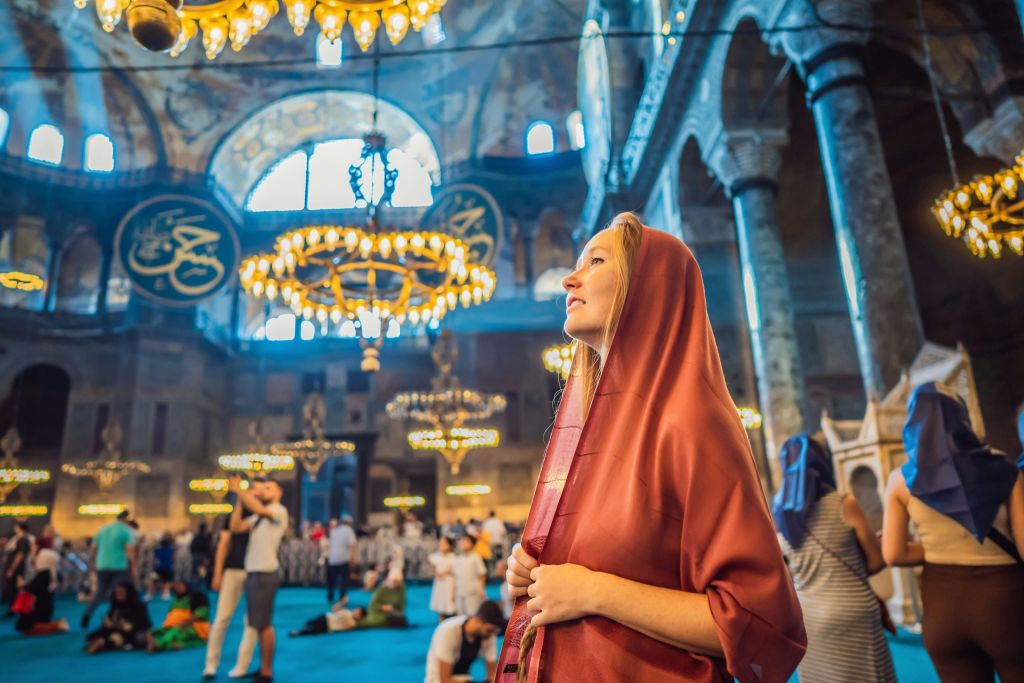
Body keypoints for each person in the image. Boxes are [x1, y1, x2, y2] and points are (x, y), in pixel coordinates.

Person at [500, 214, 806, 682]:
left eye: (595, 262)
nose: (569, 279)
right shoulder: (599, 431)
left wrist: (595, 592)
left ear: (649, 287)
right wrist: (533, 576)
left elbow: (759, 621)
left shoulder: (691, 422)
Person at [883, 382, 1024, 682]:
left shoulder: (900, 480)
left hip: (943, 607)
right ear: (963, 417)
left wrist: (934, 546)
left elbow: (893, 554)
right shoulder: (1003, 466)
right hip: (1005, 602)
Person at [772, 435, 896, 682]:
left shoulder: (779, 513)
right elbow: (876, 561)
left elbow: (791, 570)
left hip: (808, 617)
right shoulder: (843, 504)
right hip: (852, 612)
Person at [228, 474, 288, 683]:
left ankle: (267, 671)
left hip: (265, 572)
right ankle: (263, 668)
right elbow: (236, 527)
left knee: (264, 624)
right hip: (254, 572)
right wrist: (239, 500)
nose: (263, 491)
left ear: (279, 492)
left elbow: (259, 509)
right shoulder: (258, 517)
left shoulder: (278, 511)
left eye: (269, 488)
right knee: (258, 623)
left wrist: (241, 491)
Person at [204, 509, 257, 680]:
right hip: (233, 569)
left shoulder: (262, 512)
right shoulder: (234, 515)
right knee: (222, 618)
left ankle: (242, 665)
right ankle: (210, 664)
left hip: (255, 571)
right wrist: (218, 573)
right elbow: (224, 543)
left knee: (252, 621)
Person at [81, 509, 137, 629]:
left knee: (99, 593)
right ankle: (113, 618)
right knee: (118, 594)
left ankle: (88, 613)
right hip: (119, 566)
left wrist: (94, 564)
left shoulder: (104, 529)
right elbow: (130, 551)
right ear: (126, 519)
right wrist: (133, 567)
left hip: (102, 565)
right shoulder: (126, 531)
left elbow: (93, 548)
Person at [425, 600, 504, 683]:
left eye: (494, 631)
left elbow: (491, 675)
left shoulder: (489, 634)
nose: (492, 635)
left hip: (463, 678)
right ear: (478, 620)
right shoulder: (448, 632)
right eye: (489, 630)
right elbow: (445, 679)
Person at [14, 548, 70, 636]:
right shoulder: (52, 573)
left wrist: (22, 585)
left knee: (28, 629)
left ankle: (57, 626)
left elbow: (33, 587)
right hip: (44, 605)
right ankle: (56, 624)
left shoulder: (44, 574)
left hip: (38, 606)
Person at [85, 581, 152, 654]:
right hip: (116, 630)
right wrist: (108, 623)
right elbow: (110, 622)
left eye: (121, 592)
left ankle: (102, 643)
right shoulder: (115, 605)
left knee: (139, 637)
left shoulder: (138, 606)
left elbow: (146, 623)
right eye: (117, 592)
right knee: (94, 635)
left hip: (134, 632)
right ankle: (102, 642)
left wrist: (129, 625)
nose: (118, 594)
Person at [147, 580, 211, 652]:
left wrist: (183, 624)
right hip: (171, 627)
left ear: (186, 585)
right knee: (152, 632)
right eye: (176, 585)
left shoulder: (196, 597)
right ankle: (162, 644)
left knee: (173, 634)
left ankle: (159, 644)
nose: (177, 587)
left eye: (180, 585)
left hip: (194, 628)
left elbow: (200, 613)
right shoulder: (174, 600)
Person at [289, 597, 367, 636]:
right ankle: (302, 629)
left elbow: (350, 627)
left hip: (328, 627)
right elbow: (334, 608)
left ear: (360, 616)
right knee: (309, 622)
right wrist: (342, 602)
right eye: (357, 610)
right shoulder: (347, 611)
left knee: (313, 631)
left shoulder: (353, 624)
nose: (356, 611)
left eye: (358, 612)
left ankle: (299, 632)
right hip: (326, 617)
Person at [326, 515, 357, 604]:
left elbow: (330, 546)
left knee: (332, 579)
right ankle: (342, 597)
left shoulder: (334, 531)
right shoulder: (349, 530)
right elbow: (352, 544)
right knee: (344, 579)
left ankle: (330, 596)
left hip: (332, 559)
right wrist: (353, 558)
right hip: (343, 559)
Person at [2, 522, 31, 616]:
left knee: (13, 589)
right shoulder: (15, 538)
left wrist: (12, 568)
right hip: (11, 567)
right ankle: (14, 607)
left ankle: (15, 608)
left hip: (16, 569)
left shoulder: (23, 539)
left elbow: (20, 554)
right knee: (11, 588)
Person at [454, 533, 486, 617]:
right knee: (461, 615)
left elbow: (482, 574)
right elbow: (456, 577)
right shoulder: (458, 558)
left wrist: (482, 590)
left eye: (465, 541)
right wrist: (454, 592)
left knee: (472, 614)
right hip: (460, 591)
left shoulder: (476, 557)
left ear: (472, 544)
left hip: (472, 592)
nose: (462, 543)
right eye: (461, 541)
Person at [429, 536, 457, 622]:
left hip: (450, 583)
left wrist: (446, 572)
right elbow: (434, 566)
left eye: (444, 543)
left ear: (450, 545)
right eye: (440, 543)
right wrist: (436, 573)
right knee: (440, 604)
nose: (441, 545)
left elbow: (456, 571)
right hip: (440, 583)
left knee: (451, 604)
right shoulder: (436, 556)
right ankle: (441, 623)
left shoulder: (454, 557)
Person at [146, 533, 175, 601]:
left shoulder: (157, 550)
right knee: (166, 582)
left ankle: (150, 594)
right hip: (167, 568)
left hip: (158, 569)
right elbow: (173, 559)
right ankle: (165, 594)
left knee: (152, 581)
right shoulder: (171, 550)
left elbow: (155, 559)